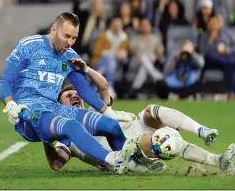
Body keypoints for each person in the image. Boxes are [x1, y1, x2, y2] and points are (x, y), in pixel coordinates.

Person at [0, 12, 141, 174]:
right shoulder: (29, 45)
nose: (70, 42)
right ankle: (113, 161)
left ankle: (133, 164)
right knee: (72, 125)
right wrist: (10, 103)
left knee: (111, 126)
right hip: (29, 111)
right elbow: (5, 81)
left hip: (53, 108)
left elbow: (84, 90)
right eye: (66, 36)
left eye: (74, 38)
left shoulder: (70, 56)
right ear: (53, 30)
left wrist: (109, 113)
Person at [51, 58, 234, 173]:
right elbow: (57, 163)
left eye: (77, 94)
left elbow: (105, 87)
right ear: (60, 105)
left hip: (134, 125)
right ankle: (216, 161)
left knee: (152, 110)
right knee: (166, 139)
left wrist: (87, 70)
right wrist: (43, 136)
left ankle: (202, 131)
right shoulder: (65, 134)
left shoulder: (93, 111)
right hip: (121, 150)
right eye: (68, 96)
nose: (75, 96)